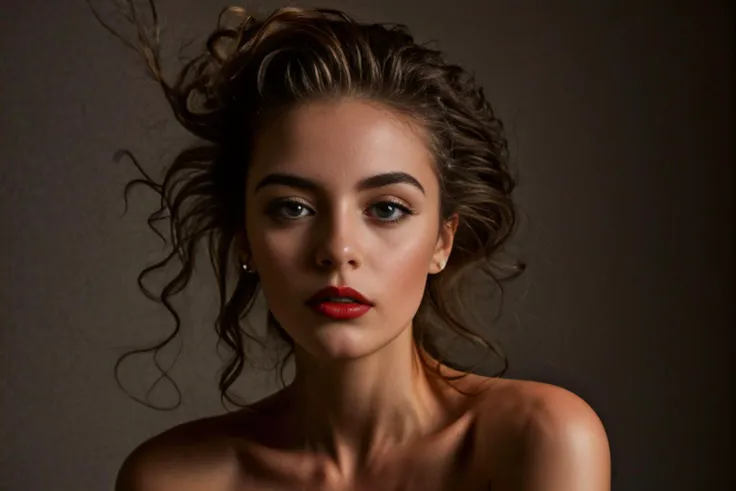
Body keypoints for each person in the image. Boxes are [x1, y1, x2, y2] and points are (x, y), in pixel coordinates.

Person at [99, 3, 610, 490]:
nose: (338, 249)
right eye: (292, 208)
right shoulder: (173, 480)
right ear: (245, 241)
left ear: (441, 241)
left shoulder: (540, 439)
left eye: (386, 208)